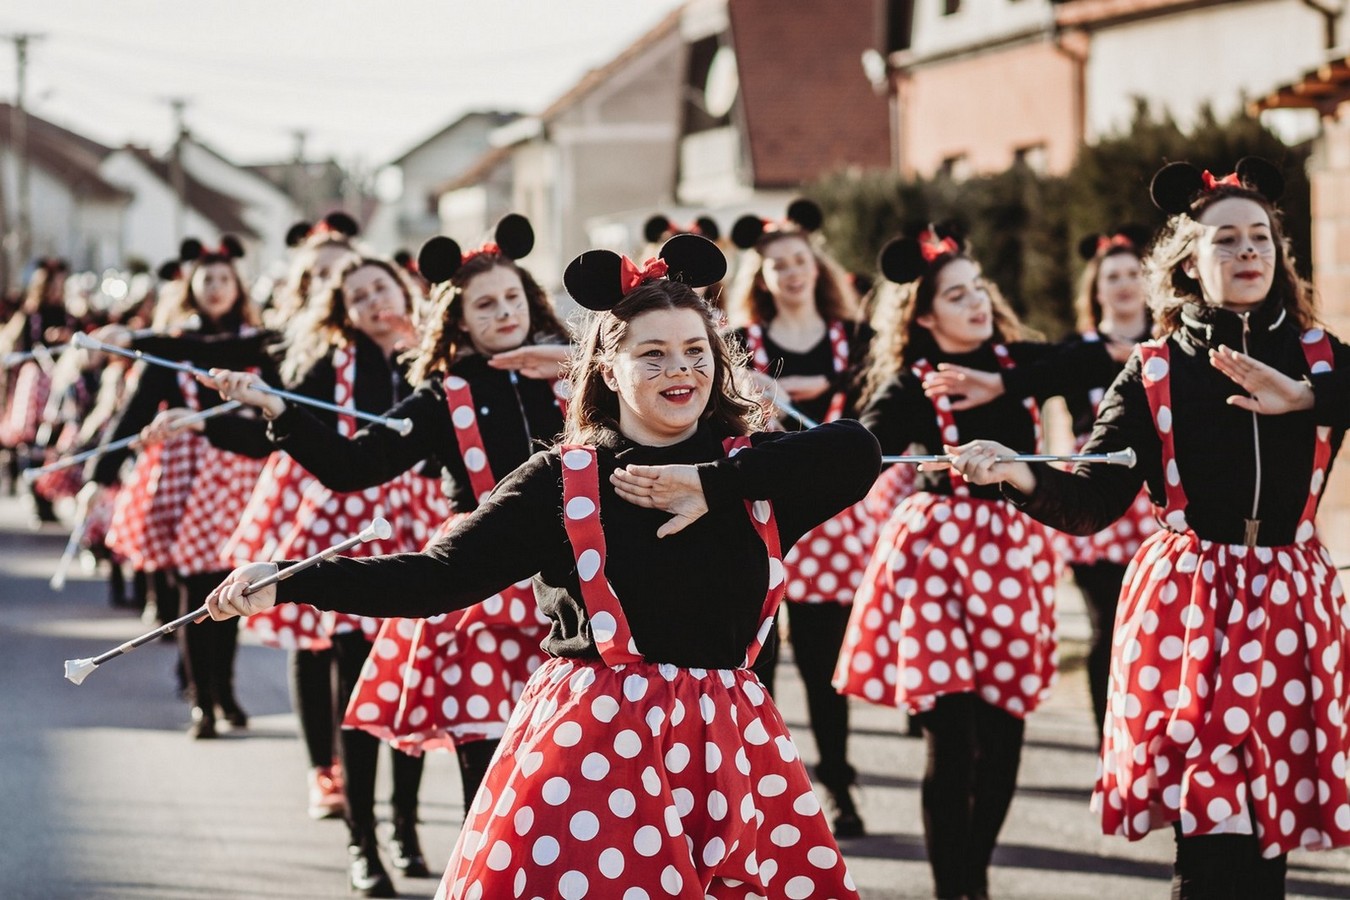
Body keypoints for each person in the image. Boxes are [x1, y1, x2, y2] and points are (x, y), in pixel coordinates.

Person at [205, 233, 876, 900]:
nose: (682, 370)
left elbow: (857, 452)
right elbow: (435, 577)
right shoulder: (563, 481)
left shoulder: (749, 468)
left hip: (728, 749)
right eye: (653, 354)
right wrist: (292, 579)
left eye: (696, 351)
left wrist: (713, 484)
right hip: (599, 753)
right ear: (607, 371)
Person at [943, 158, 1350, 899]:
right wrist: (1017, 474)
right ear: (1189, 263)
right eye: (1225, 240)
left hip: (1293, 602)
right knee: (1208, 830)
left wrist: (1307, 398)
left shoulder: (1323, 359)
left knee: (1267, 828)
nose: (1249, 252)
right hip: (1193, 606)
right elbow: (1094, 500)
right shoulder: (1156, 369)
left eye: (1260, 237)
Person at [206, 215, 567, 822]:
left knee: (562, 766)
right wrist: (276, 408)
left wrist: (578, 360)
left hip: (574, 590)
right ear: (457, 318)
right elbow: (353, 466)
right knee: (489, 777)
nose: (504, 313)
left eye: (513, 298)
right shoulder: (440, 396)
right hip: (479, 589)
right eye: (485, 304)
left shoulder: (580, 376)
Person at [834, 226, 1106, 900]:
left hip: (1013, 556)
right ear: (925, 315)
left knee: (1004, 730)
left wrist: (1003, 380)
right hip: (935, 559)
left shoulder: (1022, 360)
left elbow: (1096, 363)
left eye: (978, 289)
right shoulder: (912, 381)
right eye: (957, 295)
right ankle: (950, 887)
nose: (976, 302)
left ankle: (975, 872)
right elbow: (867, 439)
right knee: (950, 736)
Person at [923, 226, 1159, 735]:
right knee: (1109, 625)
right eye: (1111, 276)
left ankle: (1154, 730)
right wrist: (1001, 384)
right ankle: (1108, 737)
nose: (1123, 284)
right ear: (1095, 290)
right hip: (1094, 487)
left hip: (1159, 498)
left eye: (1132, 273)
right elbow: (1055, 370)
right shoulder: (1077, 350)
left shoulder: (1168, 350)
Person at [725, 198, 871, 836]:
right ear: (759, 276)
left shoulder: (856, 340)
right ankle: (760, 786)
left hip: (829, 520)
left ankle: (837, 783)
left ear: (818, 266)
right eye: (776, 264)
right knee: (758, 660)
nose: (790, 272)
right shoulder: (739, 345)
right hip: (758, 514)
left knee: (822, 661)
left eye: (799, 261)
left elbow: (877, 417)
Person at [91, 236, 267, 740]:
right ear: (191, 286)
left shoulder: (259, 343)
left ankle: (224, 685)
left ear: (238, 287)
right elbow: (136, 410)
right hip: (189, 484)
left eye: (224, 279)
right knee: (195, 587)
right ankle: (201, 697)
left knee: (239, 586)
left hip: (241, 478)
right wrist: (100, 472)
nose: (215, 288)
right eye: (206, 279)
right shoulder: (171, 345)